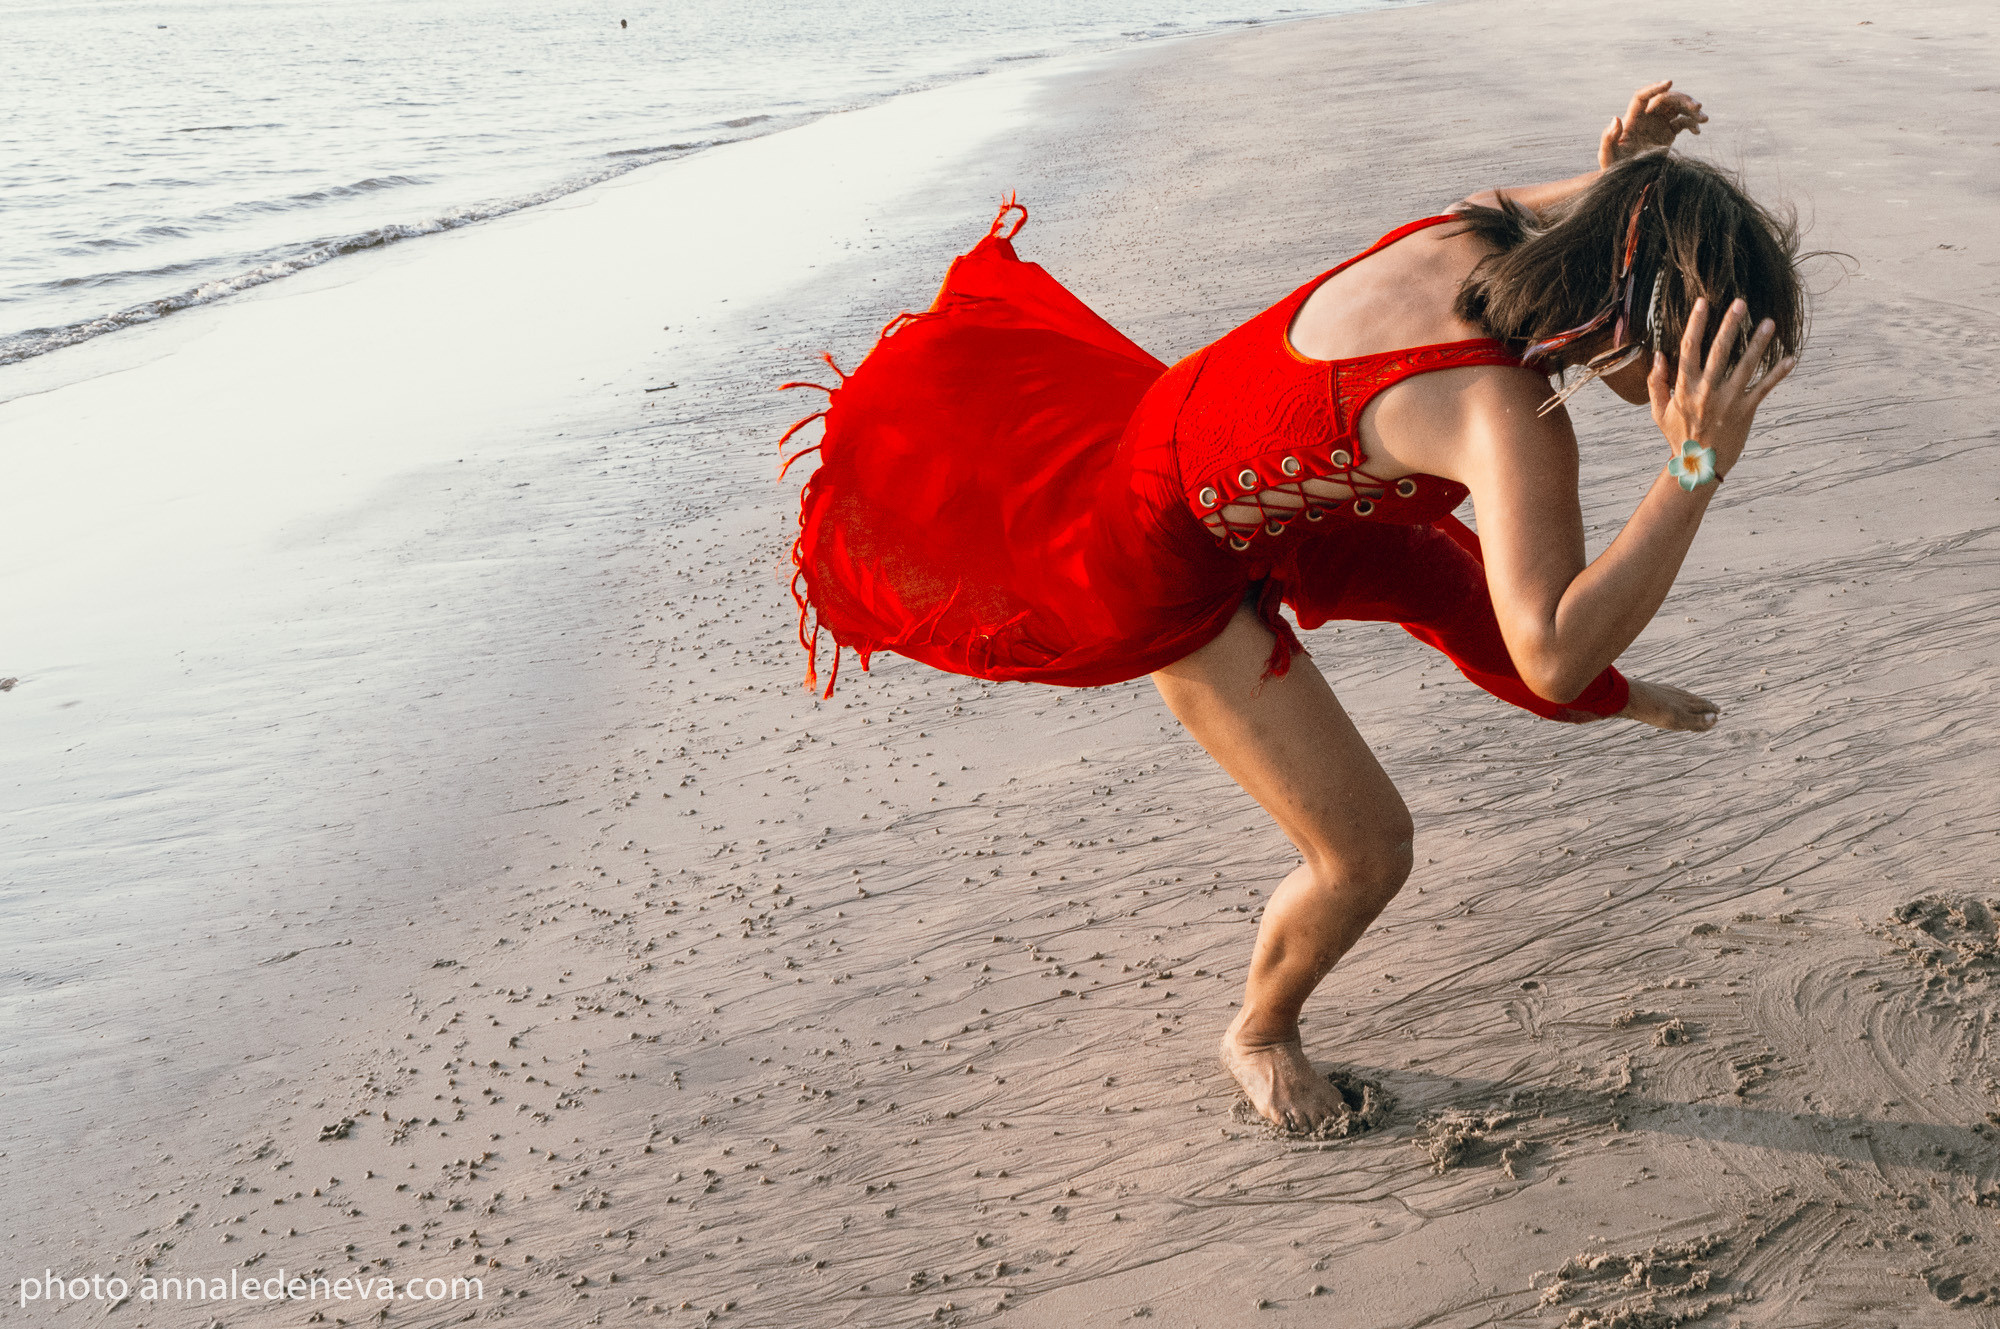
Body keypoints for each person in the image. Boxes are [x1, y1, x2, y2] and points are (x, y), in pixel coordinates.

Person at [779, 82, 1803, 1131]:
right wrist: (1695, 462)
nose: (1717, 385)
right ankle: (1259, 1033)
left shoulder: (1474, 227)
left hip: (1200, 437)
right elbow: (1547, 651)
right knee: (1369, 849)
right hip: (1164, 557)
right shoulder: (1502, 415)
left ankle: (1621, 696)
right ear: (1639, 324)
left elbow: (1607, 221)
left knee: (1465, 596)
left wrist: (1625, 174)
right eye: (1716, 359)